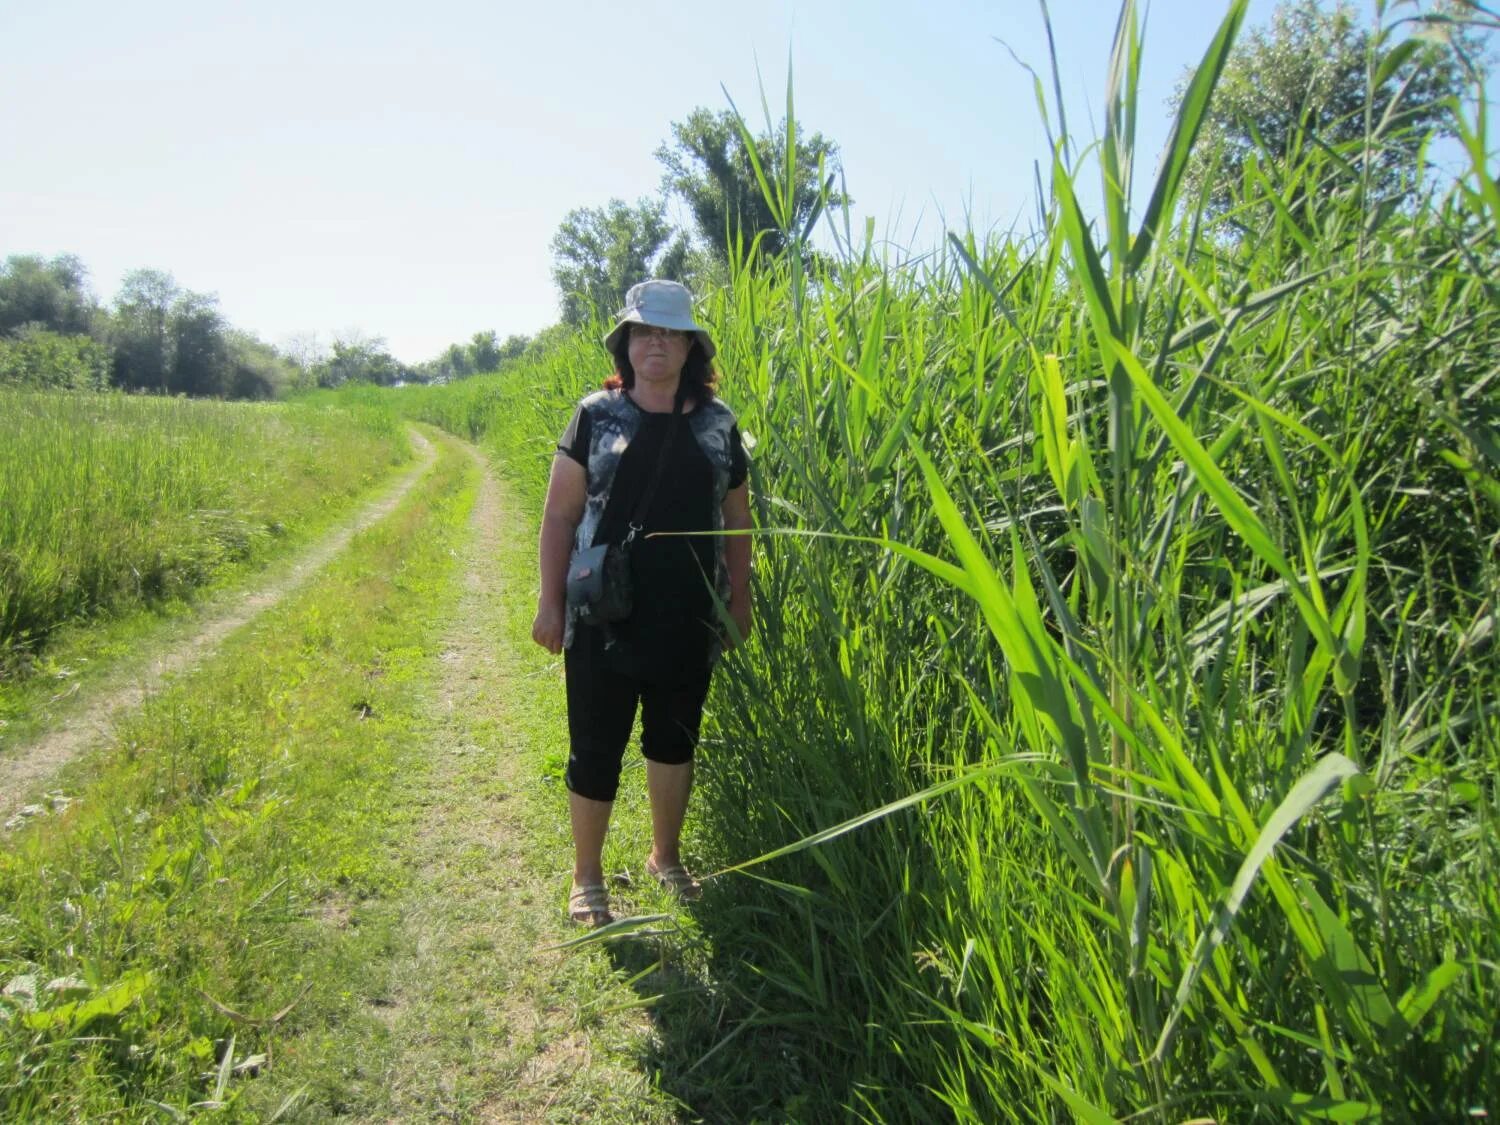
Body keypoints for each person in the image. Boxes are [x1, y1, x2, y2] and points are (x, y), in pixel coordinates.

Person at [531, 279, 752, 926]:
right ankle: (587, 875)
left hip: (689, 616)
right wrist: (549, 602)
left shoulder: (718, 423)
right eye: (644, 331)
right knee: (594, 746)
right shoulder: (594, 415)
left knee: (673, 743)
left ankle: (666, 856)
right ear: (626, 343)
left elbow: (737, 518)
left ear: (690, 346)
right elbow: (559, 513)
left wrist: (739, 600)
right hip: (603, 613)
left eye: (670, 332)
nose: (656, 342)